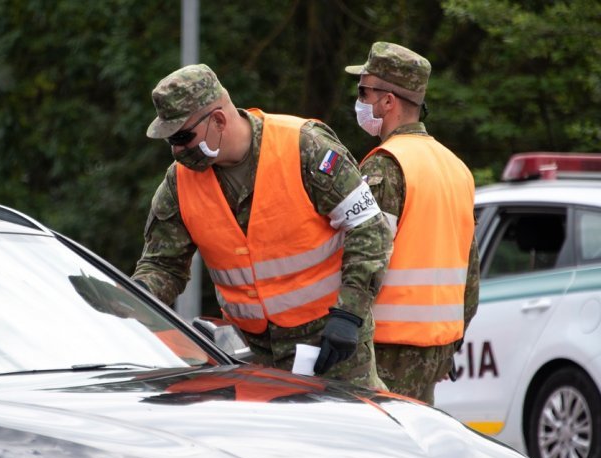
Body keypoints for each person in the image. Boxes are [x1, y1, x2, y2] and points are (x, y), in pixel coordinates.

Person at [132, 63, 392, 389]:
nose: (177, 150)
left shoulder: (303, 148)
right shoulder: (178, 184)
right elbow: (162, 265)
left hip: (331, 342)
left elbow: (369, 227)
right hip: (250, 354)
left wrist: (349, 314)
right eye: (170, 140)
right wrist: (137, 295)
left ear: (219, 120)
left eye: (183, 136)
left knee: (350, 434)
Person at [344, 41, 480, 404]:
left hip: (387, 348)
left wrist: (343, 323)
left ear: (388, 101)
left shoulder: (386, 165)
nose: (359, 101)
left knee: (378, 450)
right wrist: (453, 339)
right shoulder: (457, 168)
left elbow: (366, 257)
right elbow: (471, 274)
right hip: (436, 349)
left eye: (364, 91)